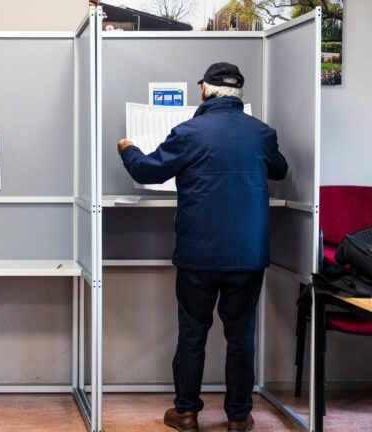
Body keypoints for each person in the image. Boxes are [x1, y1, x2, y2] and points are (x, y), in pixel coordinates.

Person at [117, 62, 288, 432]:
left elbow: (148, 171)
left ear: (205, 91)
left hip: (199, 255)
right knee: (241, 335)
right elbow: (280, 170)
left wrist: (128, 148)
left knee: (193, 333)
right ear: (239, 95)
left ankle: (187, 412)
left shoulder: (189, 131)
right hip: (248, 255)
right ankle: (239, 417)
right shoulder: (261, 133)